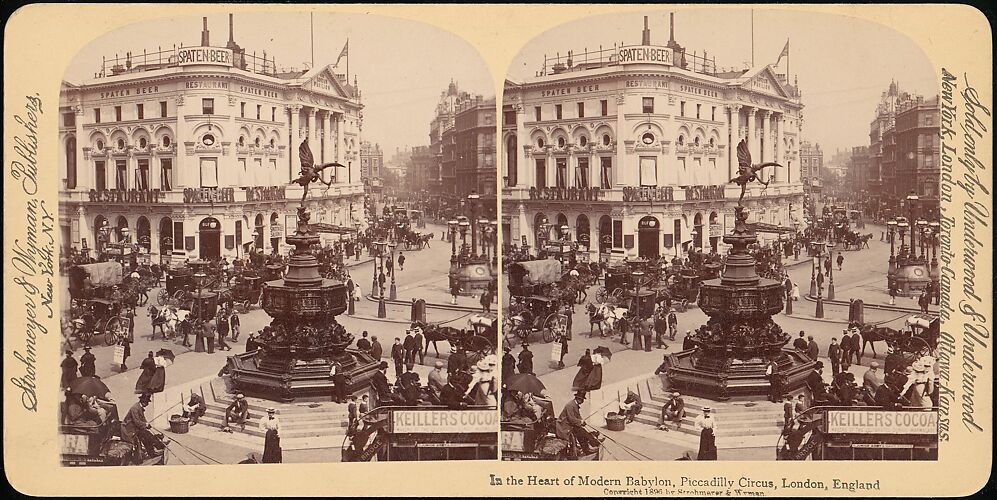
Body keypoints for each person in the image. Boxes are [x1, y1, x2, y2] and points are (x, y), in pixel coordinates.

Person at [121, 393, 166, 463]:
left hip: (135, 427)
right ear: (143, 401)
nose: (148, 404)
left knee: (146, 434)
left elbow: (143, 419)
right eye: (147, 402)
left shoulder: (140, 407)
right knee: (145, 435)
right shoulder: (135, 408)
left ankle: (155, 448)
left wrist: (147, 424)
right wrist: (145, 425)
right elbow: (137, 422)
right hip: (128, 429)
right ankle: (157, 446)